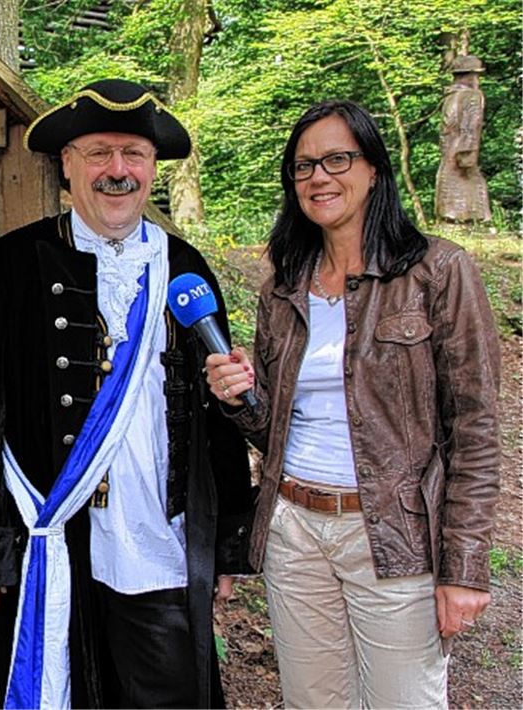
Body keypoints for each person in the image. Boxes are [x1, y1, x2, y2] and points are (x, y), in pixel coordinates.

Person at [0, 78, 255, 709]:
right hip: (42, 531)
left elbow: (216, 414)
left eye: (133, 155)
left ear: (153, 168)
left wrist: (229, 532)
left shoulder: (186, 270)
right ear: (66, 165)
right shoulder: (6, 269)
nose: (117, 171)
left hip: (157, 537)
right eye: (99, 153)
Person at [203, 100, 500, 708]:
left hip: (392, 536)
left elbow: (476, 428)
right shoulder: (285, 284)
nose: (319, 177)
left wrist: (464, 567)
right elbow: (273, 430)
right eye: (303, 166)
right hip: (294, 530)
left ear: (374, 170)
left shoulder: (438, 271)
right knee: (313, 702)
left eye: (338, 159)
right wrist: (238, 399)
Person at [435, 54, 493, 223]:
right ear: (469, 76)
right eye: (475, 75)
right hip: (459, 148)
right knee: (464, 181)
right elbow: (471, 126)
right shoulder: (471, 96)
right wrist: (468, 149)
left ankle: (463, 216)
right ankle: (468, 216)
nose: (477, 79)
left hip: (453, 147)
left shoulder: (453, 96)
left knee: (459, 180)